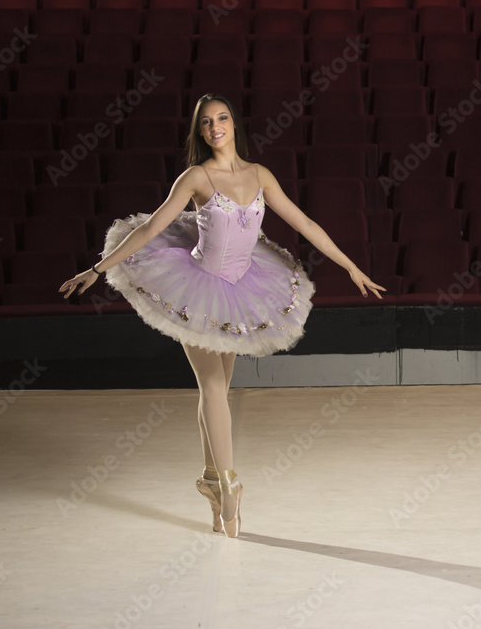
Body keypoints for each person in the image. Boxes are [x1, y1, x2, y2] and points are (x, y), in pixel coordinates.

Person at [59, 93, 384, 538]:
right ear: (200, 131)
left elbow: (304, 223)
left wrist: (350, 265)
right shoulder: (195, 177)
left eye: (222, 118)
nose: (216, 127)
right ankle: (230, 487)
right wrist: (98, 268)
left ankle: (213, 484)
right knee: (214, 388)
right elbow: (152, 227)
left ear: (234, 125)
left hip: (245, 289)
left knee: (215, 390)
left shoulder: (259, 174)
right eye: (207, 122)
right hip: (196, 289)